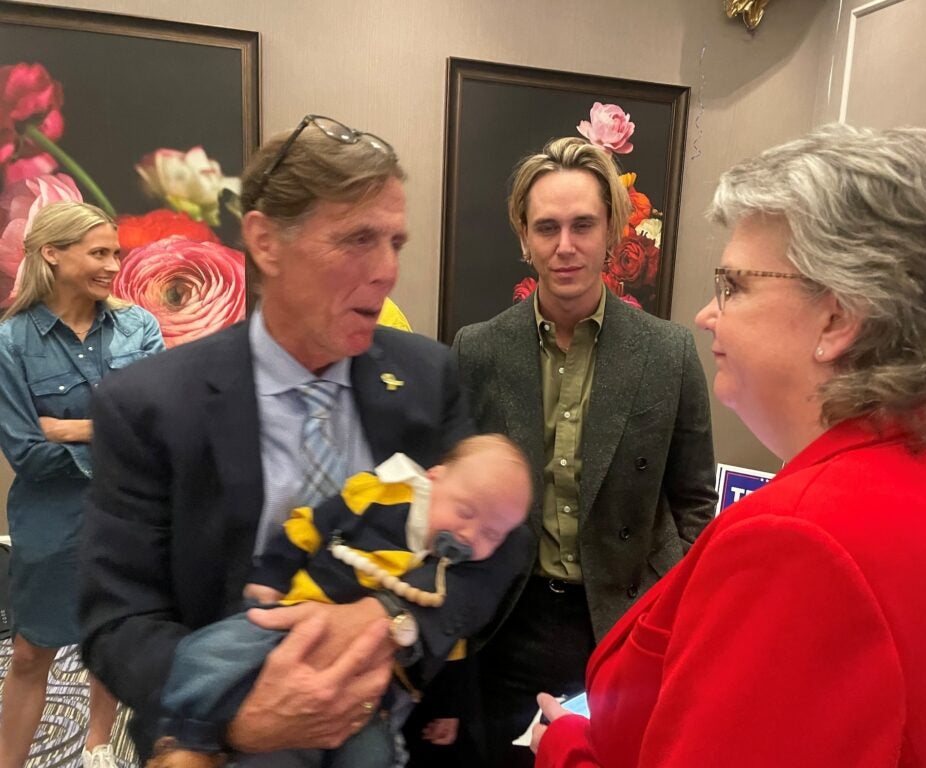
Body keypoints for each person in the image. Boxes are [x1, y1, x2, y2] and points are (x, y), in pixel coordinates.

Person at [530, 124, 926, 768]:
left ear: (839, 317)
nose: (709, 314)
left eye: (734, 285)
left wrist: (563, 746)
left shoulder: (799, 542)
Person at [79, 114, 529, 765]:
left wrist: (392, 622)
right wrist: (240, 720)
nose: (386, 271)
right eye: (358, 240)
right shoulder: (150, 406)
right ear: (265, 242)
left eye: (396, 242)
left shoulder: (427, 376)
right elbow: (116, 623)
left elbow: (501, 541)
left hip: (393, 731)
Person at [452, 136, 718, 766]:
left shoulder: (669, 353)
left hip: (626, 621)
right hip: (507, 620)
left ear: (611, 233)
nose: (564, 246)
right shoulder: (478, 350)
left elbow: (694, 500)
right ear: (524, 237)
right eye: (546, 227)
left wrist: (670, 601)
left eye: (582, 225)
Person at [149, 434, 532, 768]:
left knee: (373, 756)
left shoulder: (448, 576)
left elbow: (453, 653)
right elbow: (309, 525)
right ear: (434, 477)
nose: (469, 535)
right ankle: (190, 738)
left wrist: (449, 710)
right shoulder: (382, 492)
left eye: (492, 535)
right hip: (291, 623)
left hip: (367, 689)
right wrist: (270, 577)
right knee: (211, 653)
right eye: (465, 512)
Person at [0, 201, 165, 768]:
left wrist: (73, 427)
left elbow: (158, 424)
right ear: (53, 253)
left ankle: (98, 748)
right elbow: (28, 453)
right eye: (99, 253)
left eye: (115, 252)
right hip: (50, 523)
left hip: (128, 515)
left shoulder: (138, 326)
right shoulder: (11, 343)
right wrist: (116, 435)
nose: (113, 265)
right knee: (28, 655)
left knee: (111, 644)